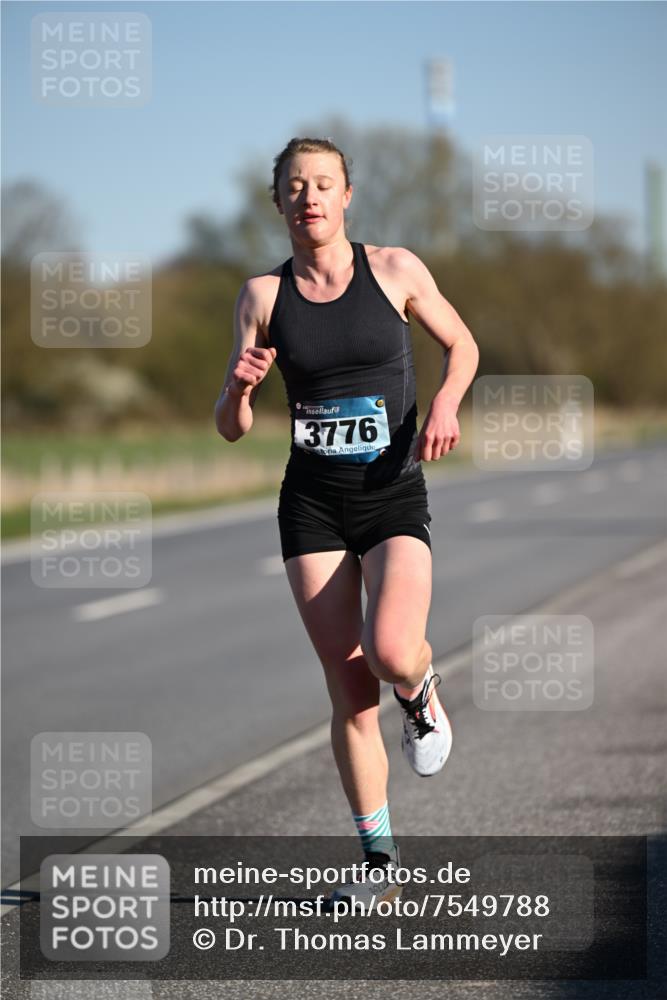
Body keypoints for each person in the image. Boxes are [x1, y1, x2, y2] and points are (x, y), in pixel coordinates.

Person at [215, 137, 479, 908]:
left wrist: (444, 403)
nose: (308, 197)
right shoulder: (261, 297)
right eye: (294, 187)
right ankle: (378, 864)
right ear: (278, 204)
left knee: (393, 650)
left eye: (322, 184)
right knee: (348, 686)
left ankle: (422, 688)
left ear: (346, 196)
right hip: (312, 504)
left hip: (391, 493)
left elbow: (460, 345)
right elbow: (230, 426)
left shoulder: (394, 269)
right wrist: (237, 389)